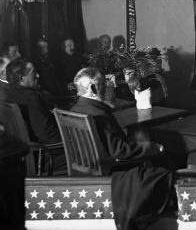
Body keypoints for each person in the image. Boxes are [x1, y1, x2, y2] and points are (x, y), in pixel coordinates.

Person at [69, 68, 172, 230]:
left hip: (86, 167)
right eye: (103, 84)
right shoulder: (99, 112)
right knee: (164, 171)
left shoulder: (75, 110)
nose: (107, 88)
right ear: (93, 89)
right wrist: (153, 147)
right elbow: (120, 151)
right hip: (113, 171)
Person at [3, 59, 62, 145]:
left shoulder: (9, 95)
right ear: (21, 78)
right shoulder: (32, 97)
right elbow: (46, 133)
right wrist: (69, 139)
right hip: (51, 149)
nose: (38, 76)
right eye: (34, 73)